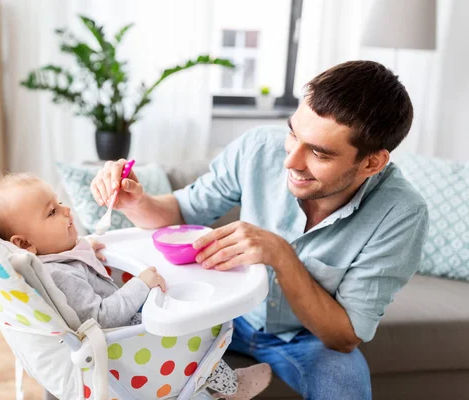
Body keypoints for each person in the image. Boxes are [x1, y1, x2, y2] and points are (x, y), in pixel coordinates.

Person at [90, 60, 429, 399]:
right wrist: (133, 201)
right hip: (220, 313)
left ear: (371, 163)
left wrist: (280, 254)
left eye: (319, 153)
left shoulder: (402, 213)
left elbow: (344, 336)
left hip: (306, 339)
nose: (290, 162)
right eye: (293, 134)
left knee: (346, 389)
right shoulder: (257, 148)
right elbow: (181, 211)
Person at [0, 173, 272, 400]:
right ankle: (230, 388)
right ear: (25, 244)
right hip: (128, 345)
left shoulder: (59, 258)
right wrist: (141, 285)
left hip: (125, 329)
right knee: (199, 333)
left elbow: (74, 264)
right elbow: (102, 317)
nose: (66, 211)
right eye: (52, 212)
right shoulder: (60, 276)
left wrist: (85, 249)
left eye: (60, 203)